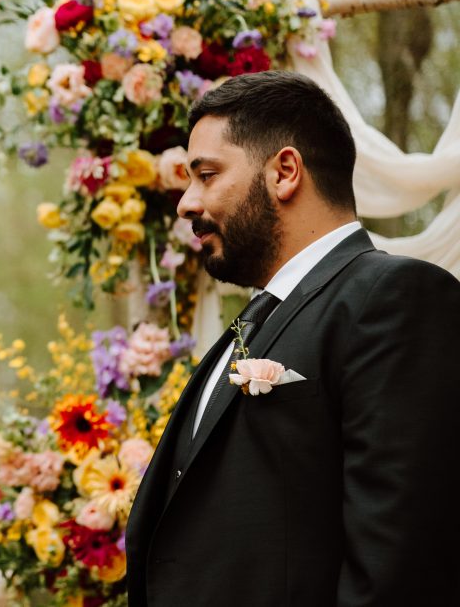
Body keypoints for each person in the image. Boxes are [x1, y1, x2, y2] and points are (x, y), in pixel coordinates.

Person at [125, 71, 460, 606]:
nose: (186, 203)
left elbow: (400, 565)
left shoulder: (394, 299)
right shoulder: (259, 318)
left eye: (206, 174)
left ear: (284, 172)